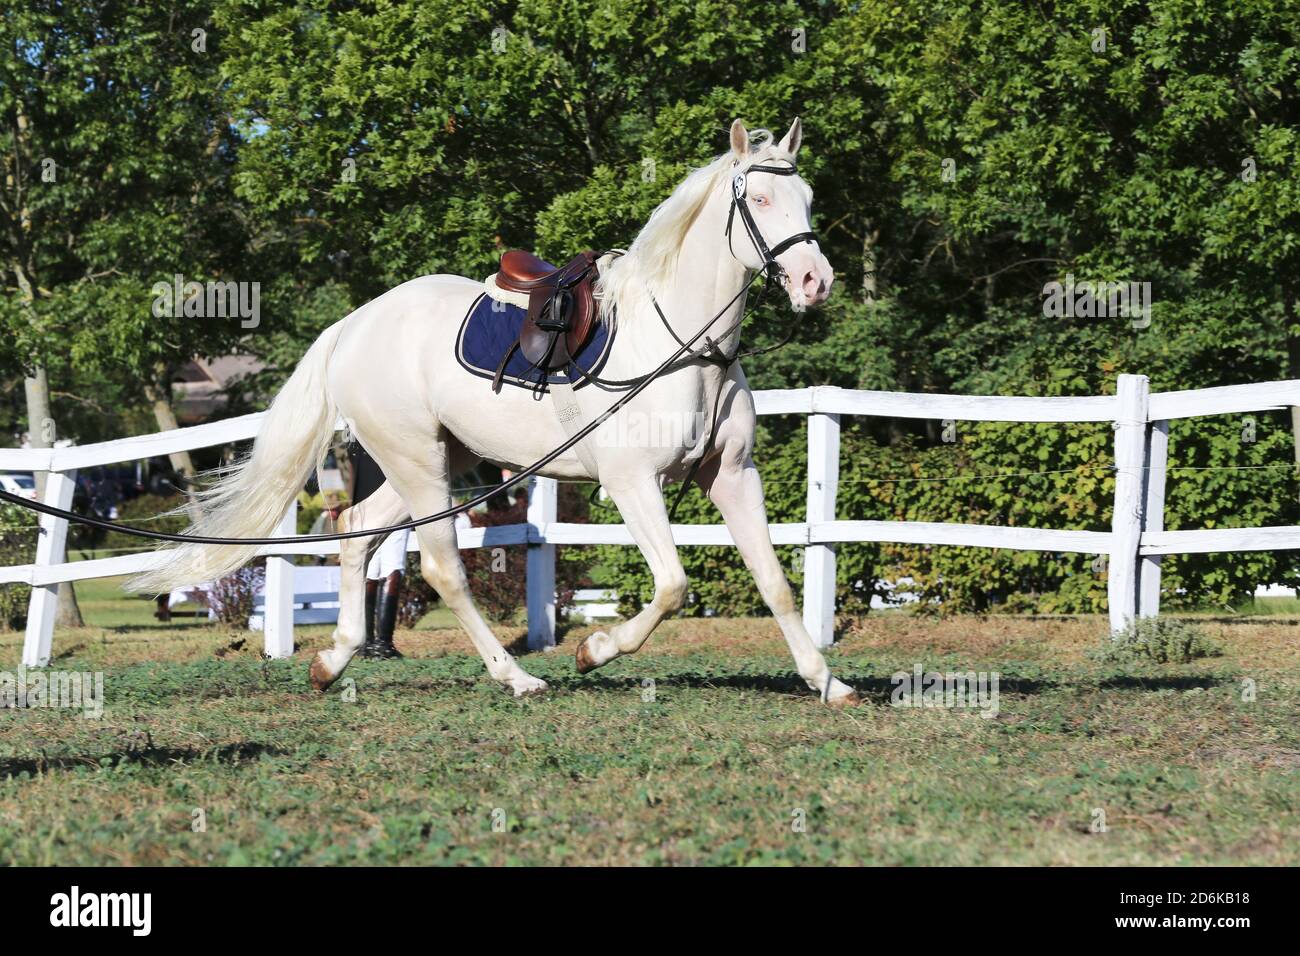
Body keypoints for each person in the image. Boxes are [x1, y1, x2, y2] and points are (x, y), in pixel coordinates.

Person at [347, 440, 408, 659]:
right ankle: (383, 644)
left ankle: (367, 643)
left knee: (370, 572)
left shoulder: (357, 433)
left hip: (363, 507)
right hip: (391, 504)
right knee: (393, 568)